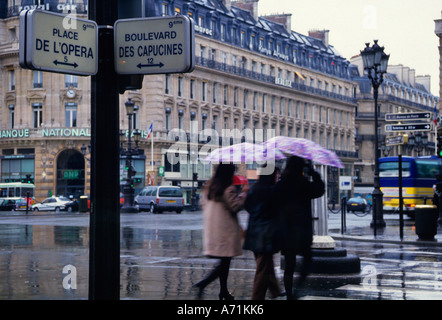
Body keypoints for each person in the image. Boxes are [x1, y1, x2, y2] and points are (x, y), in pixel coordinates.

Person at [193, 163, 247, 300]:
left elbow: (202, 205)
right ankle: (204, 283)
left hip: (214, 230)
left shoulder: (208, 188)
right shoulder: (228, 189)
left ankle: (223, 291)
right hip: (226, 231)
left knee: (225, 262)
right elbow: (235, 207)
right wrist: (243, 195)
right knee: (225, 262)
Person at [275, 156, 325, 300]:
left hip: (286, 230)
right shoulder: (303, 183)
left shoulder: (281, 184)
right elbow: (319, 190)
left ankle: (289, 293)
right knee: (307, 260)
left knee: (289, 265)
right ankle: (297, 290)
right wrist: (313, 172)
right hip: (302, 229)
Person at [243, 167, 283, 300]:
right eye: (276, 174)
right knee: (263, 268)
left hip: (254, 231)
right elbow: (277, 210)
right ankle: (256, 298)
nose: (277, 176)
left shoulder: (254, 188)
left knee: (265, 264)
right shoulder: (273, 190)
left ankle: (275, 290)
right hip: (266, 234)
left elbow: (248, 206)